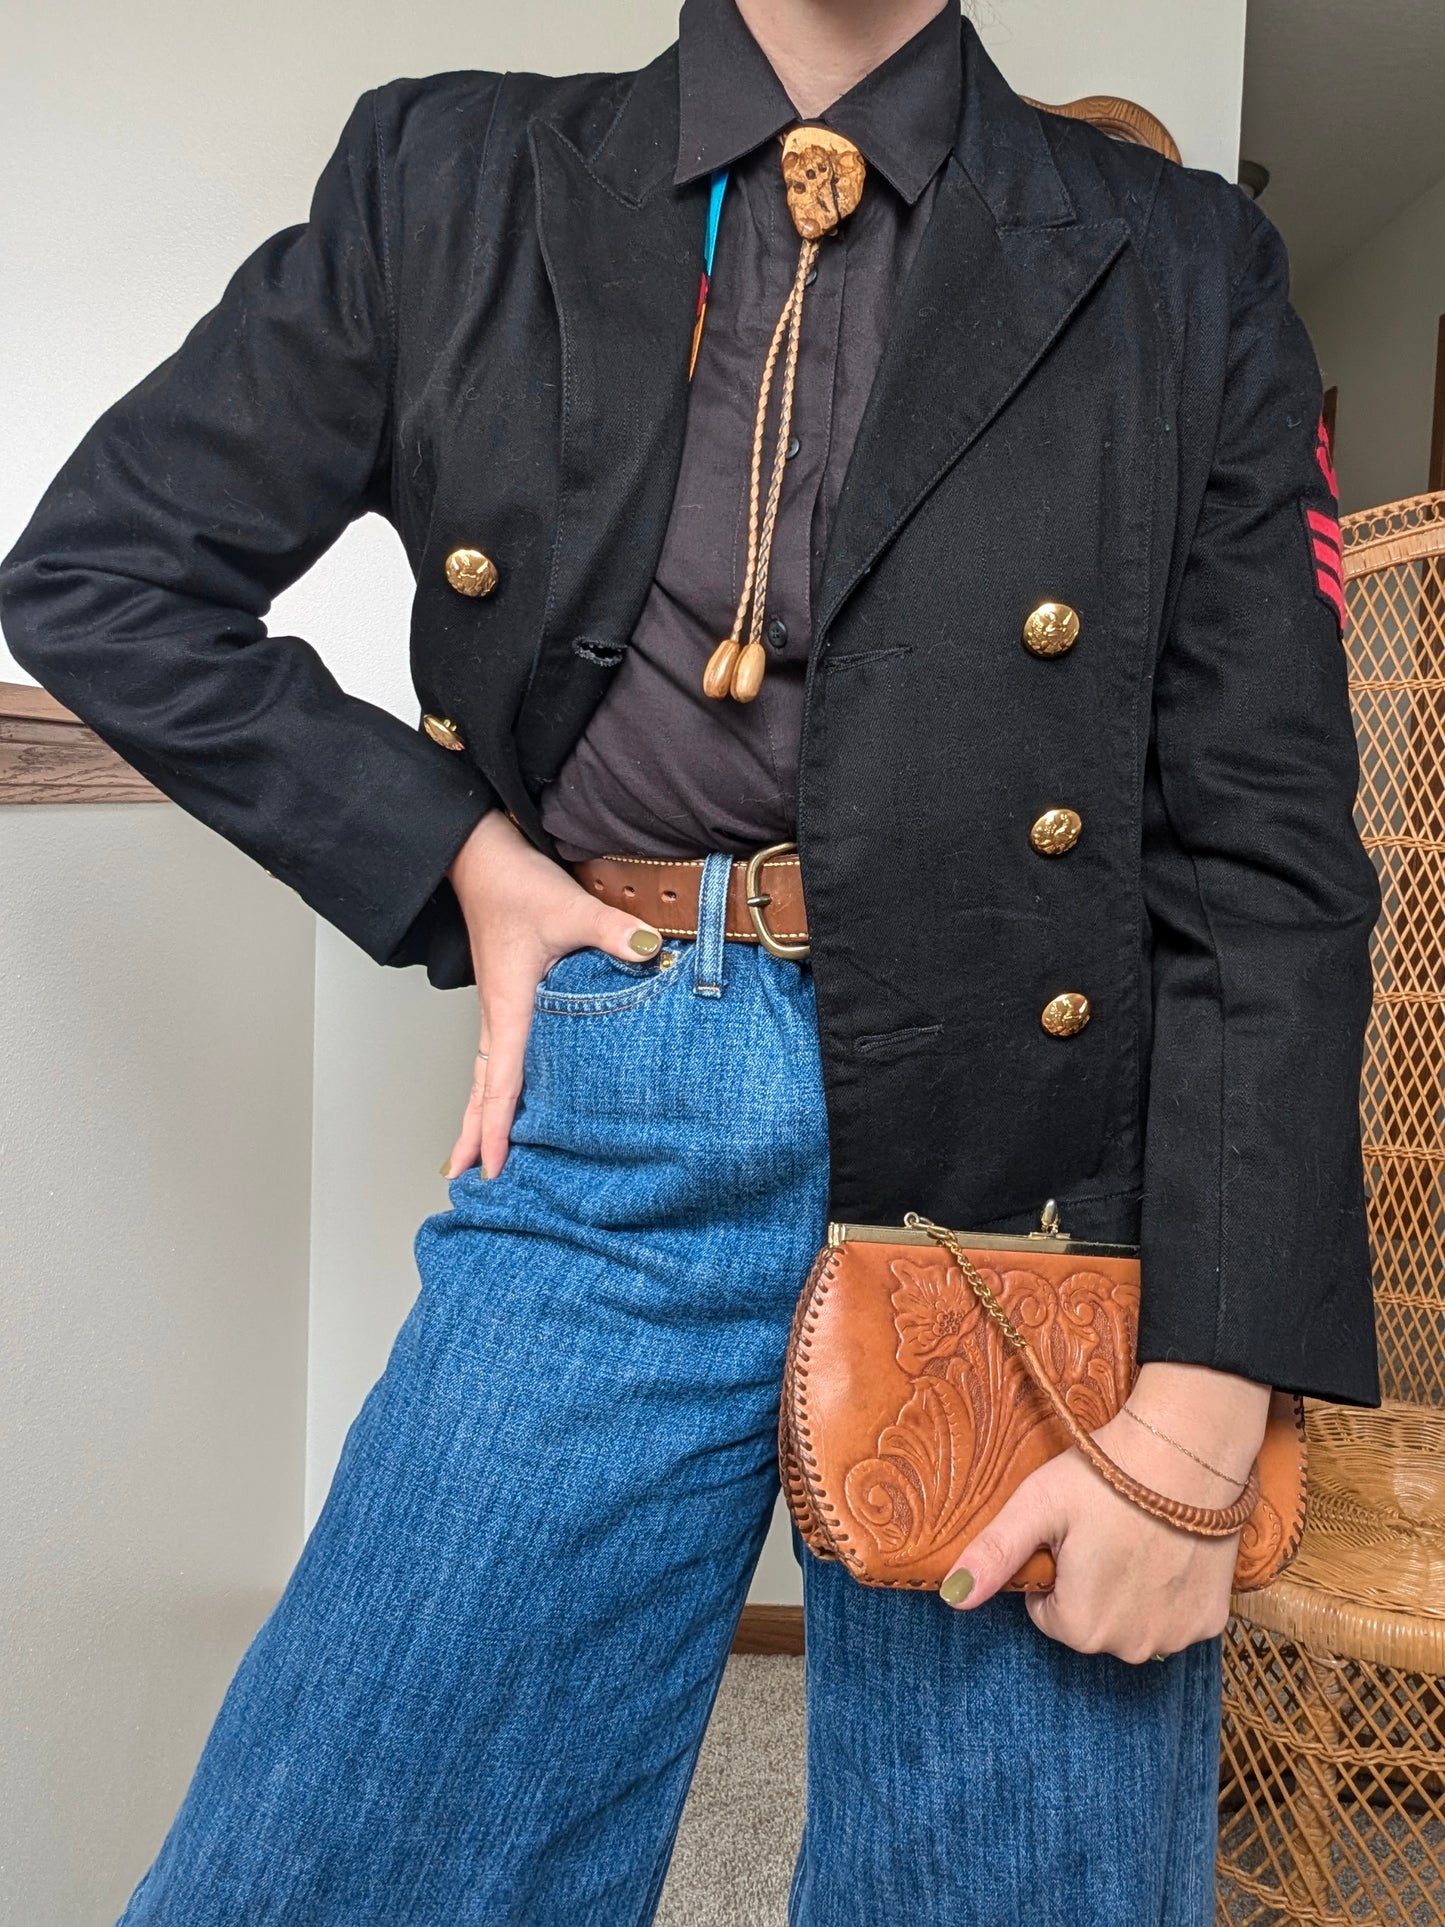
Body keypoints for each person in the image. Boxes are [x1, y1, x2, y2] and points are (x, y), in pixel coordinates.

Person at [0, 0, 1380, 1920]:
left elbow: (1267, 859)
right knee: (337, 1868)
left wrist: (1199, 1421)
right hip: (625, 1088)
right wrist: (458, 859)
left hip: (1044, 1160)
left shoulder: (1180, 260)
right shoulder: (445, 176)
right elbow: (101, 572)